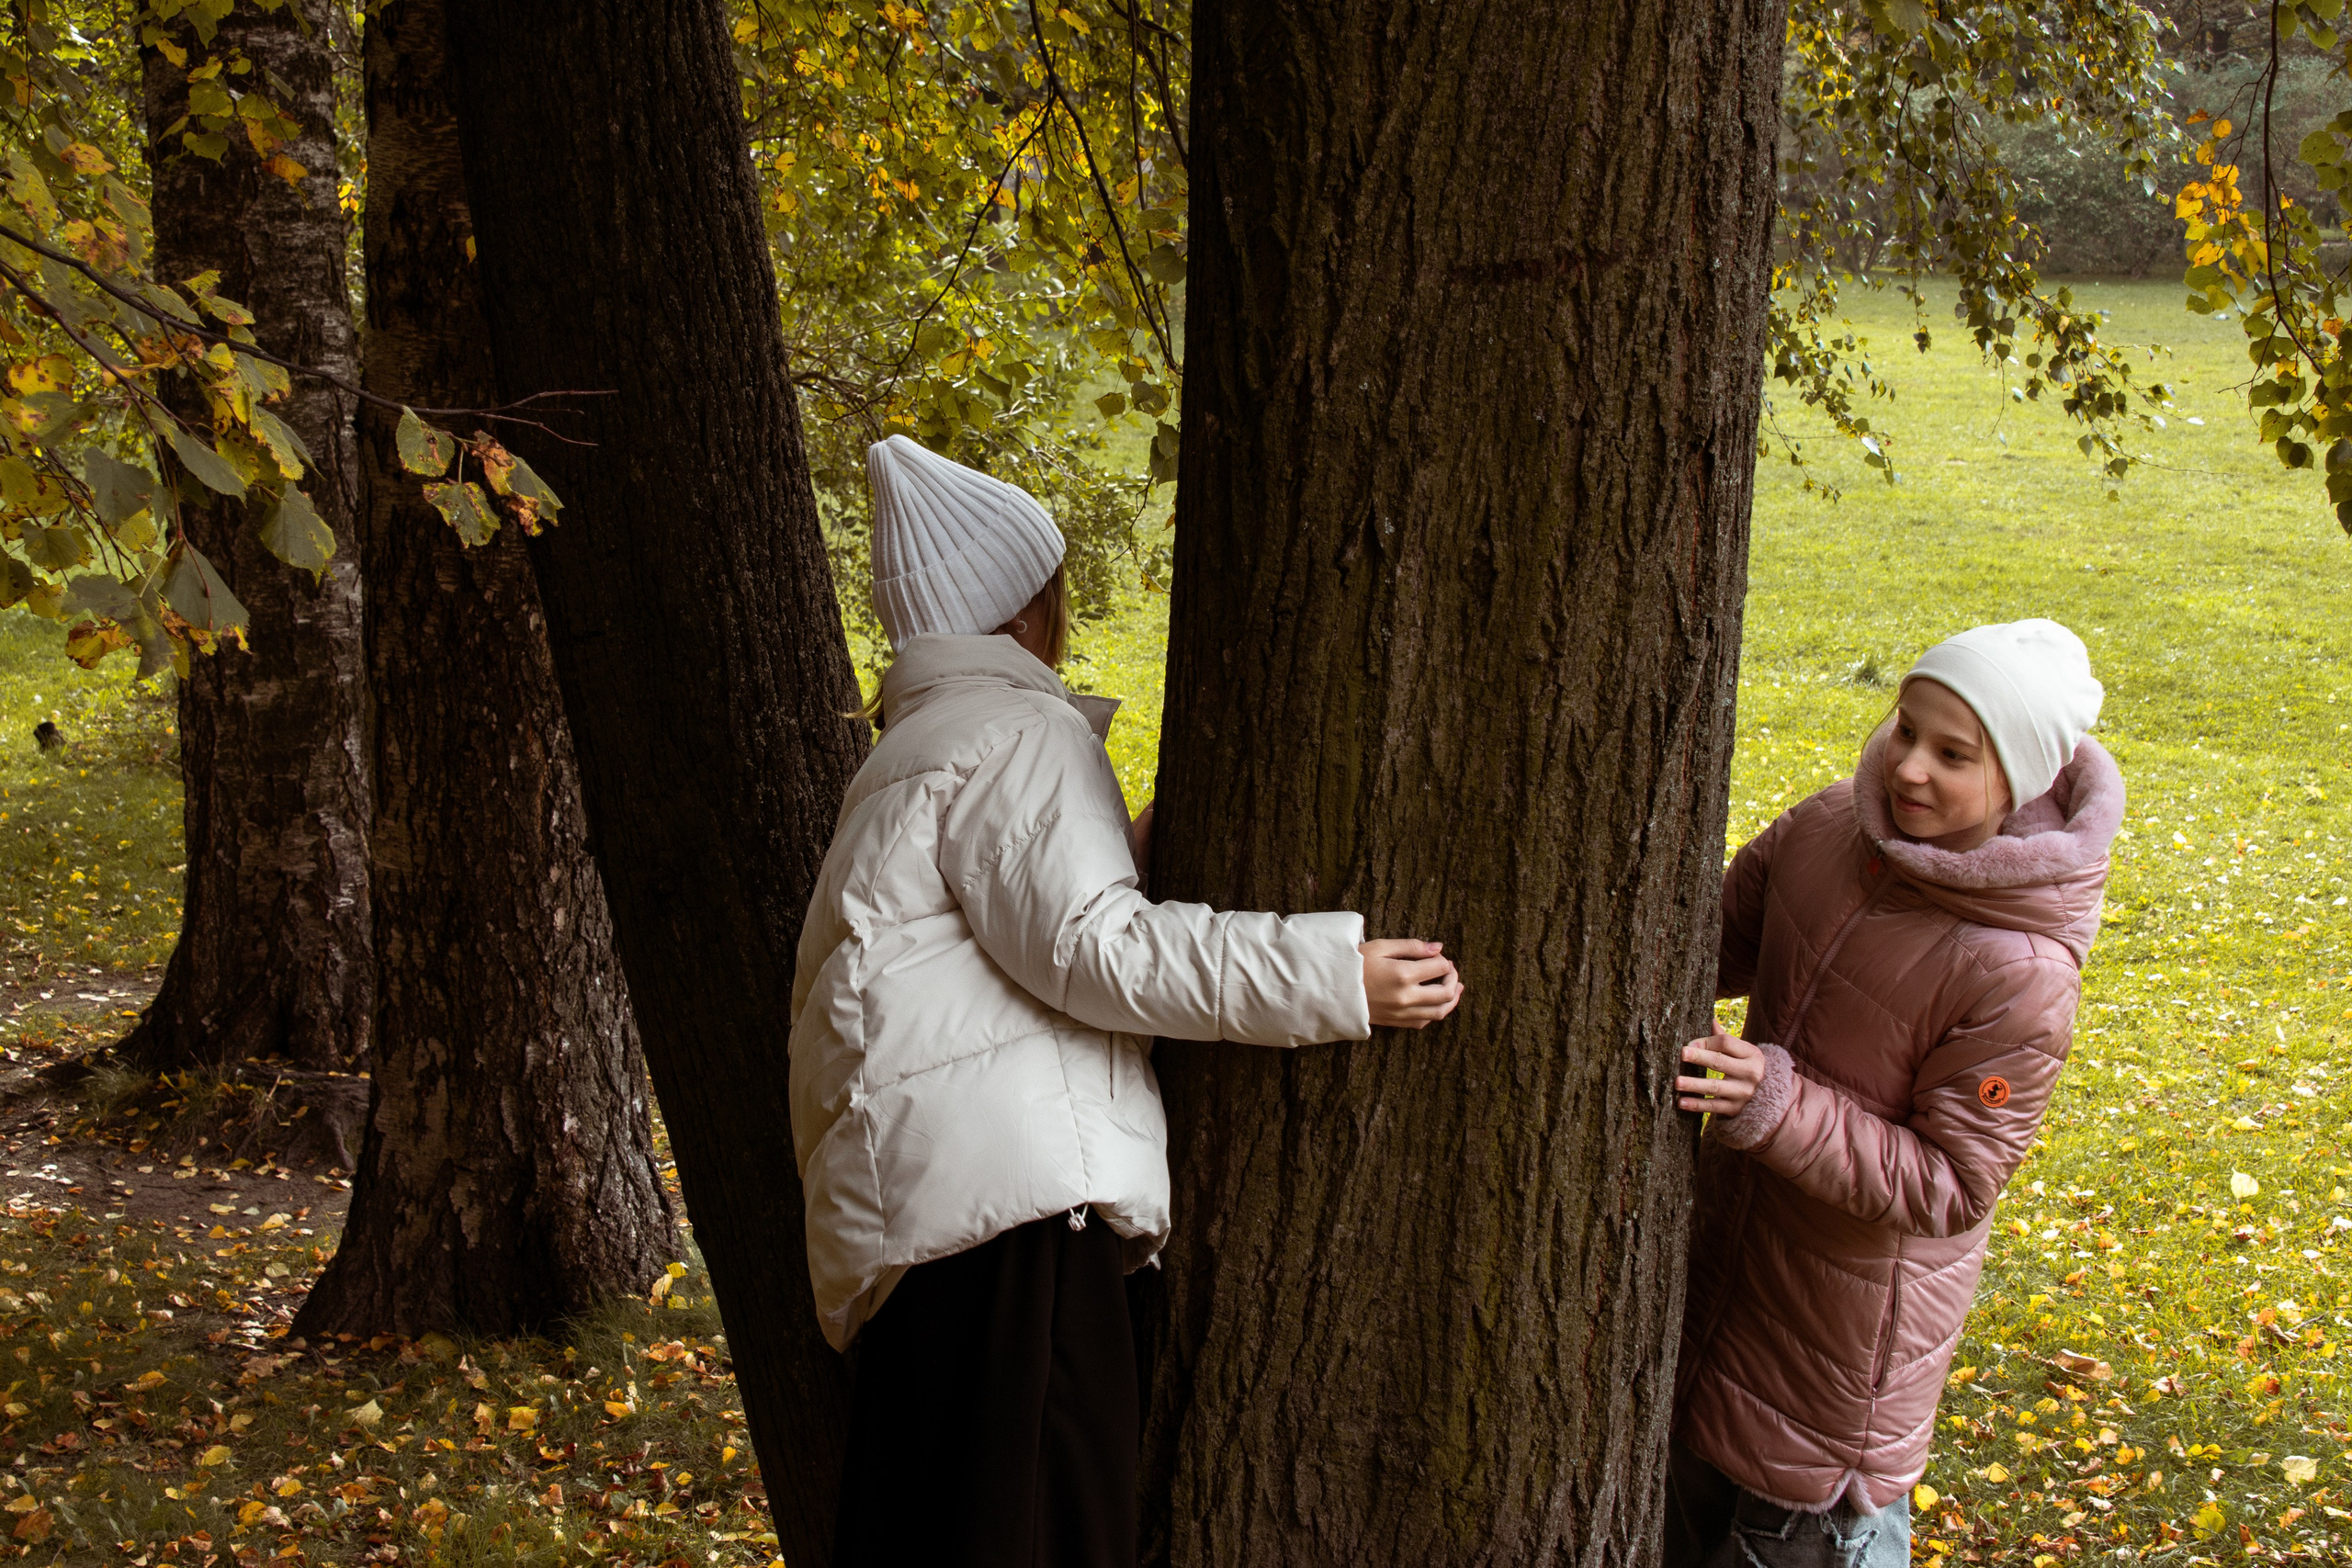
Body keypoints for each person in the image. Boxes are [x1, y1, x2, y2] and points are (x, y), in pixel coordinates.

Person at [791, 434, 1464, 1567]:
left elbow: (1007, 933)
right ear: (1024, 611)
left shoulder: (912, 753)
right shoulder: (1019, 732)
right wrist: (1332, 977)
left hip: (926, 1225)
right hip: (1010, 1226)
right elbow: (1093, 951)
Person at [1668, 619, 2123, 1568]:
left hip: (1832, 1380)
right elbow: (1695, 946)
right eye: (1905, 729)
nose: (1909, 767)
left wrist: (1775, 1107)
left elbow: (1951, 1187)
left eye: (1952, 754)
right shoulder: (1834, 825)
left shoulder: (2020, 974)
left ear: (2022, 777)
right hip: (1721, 1296)